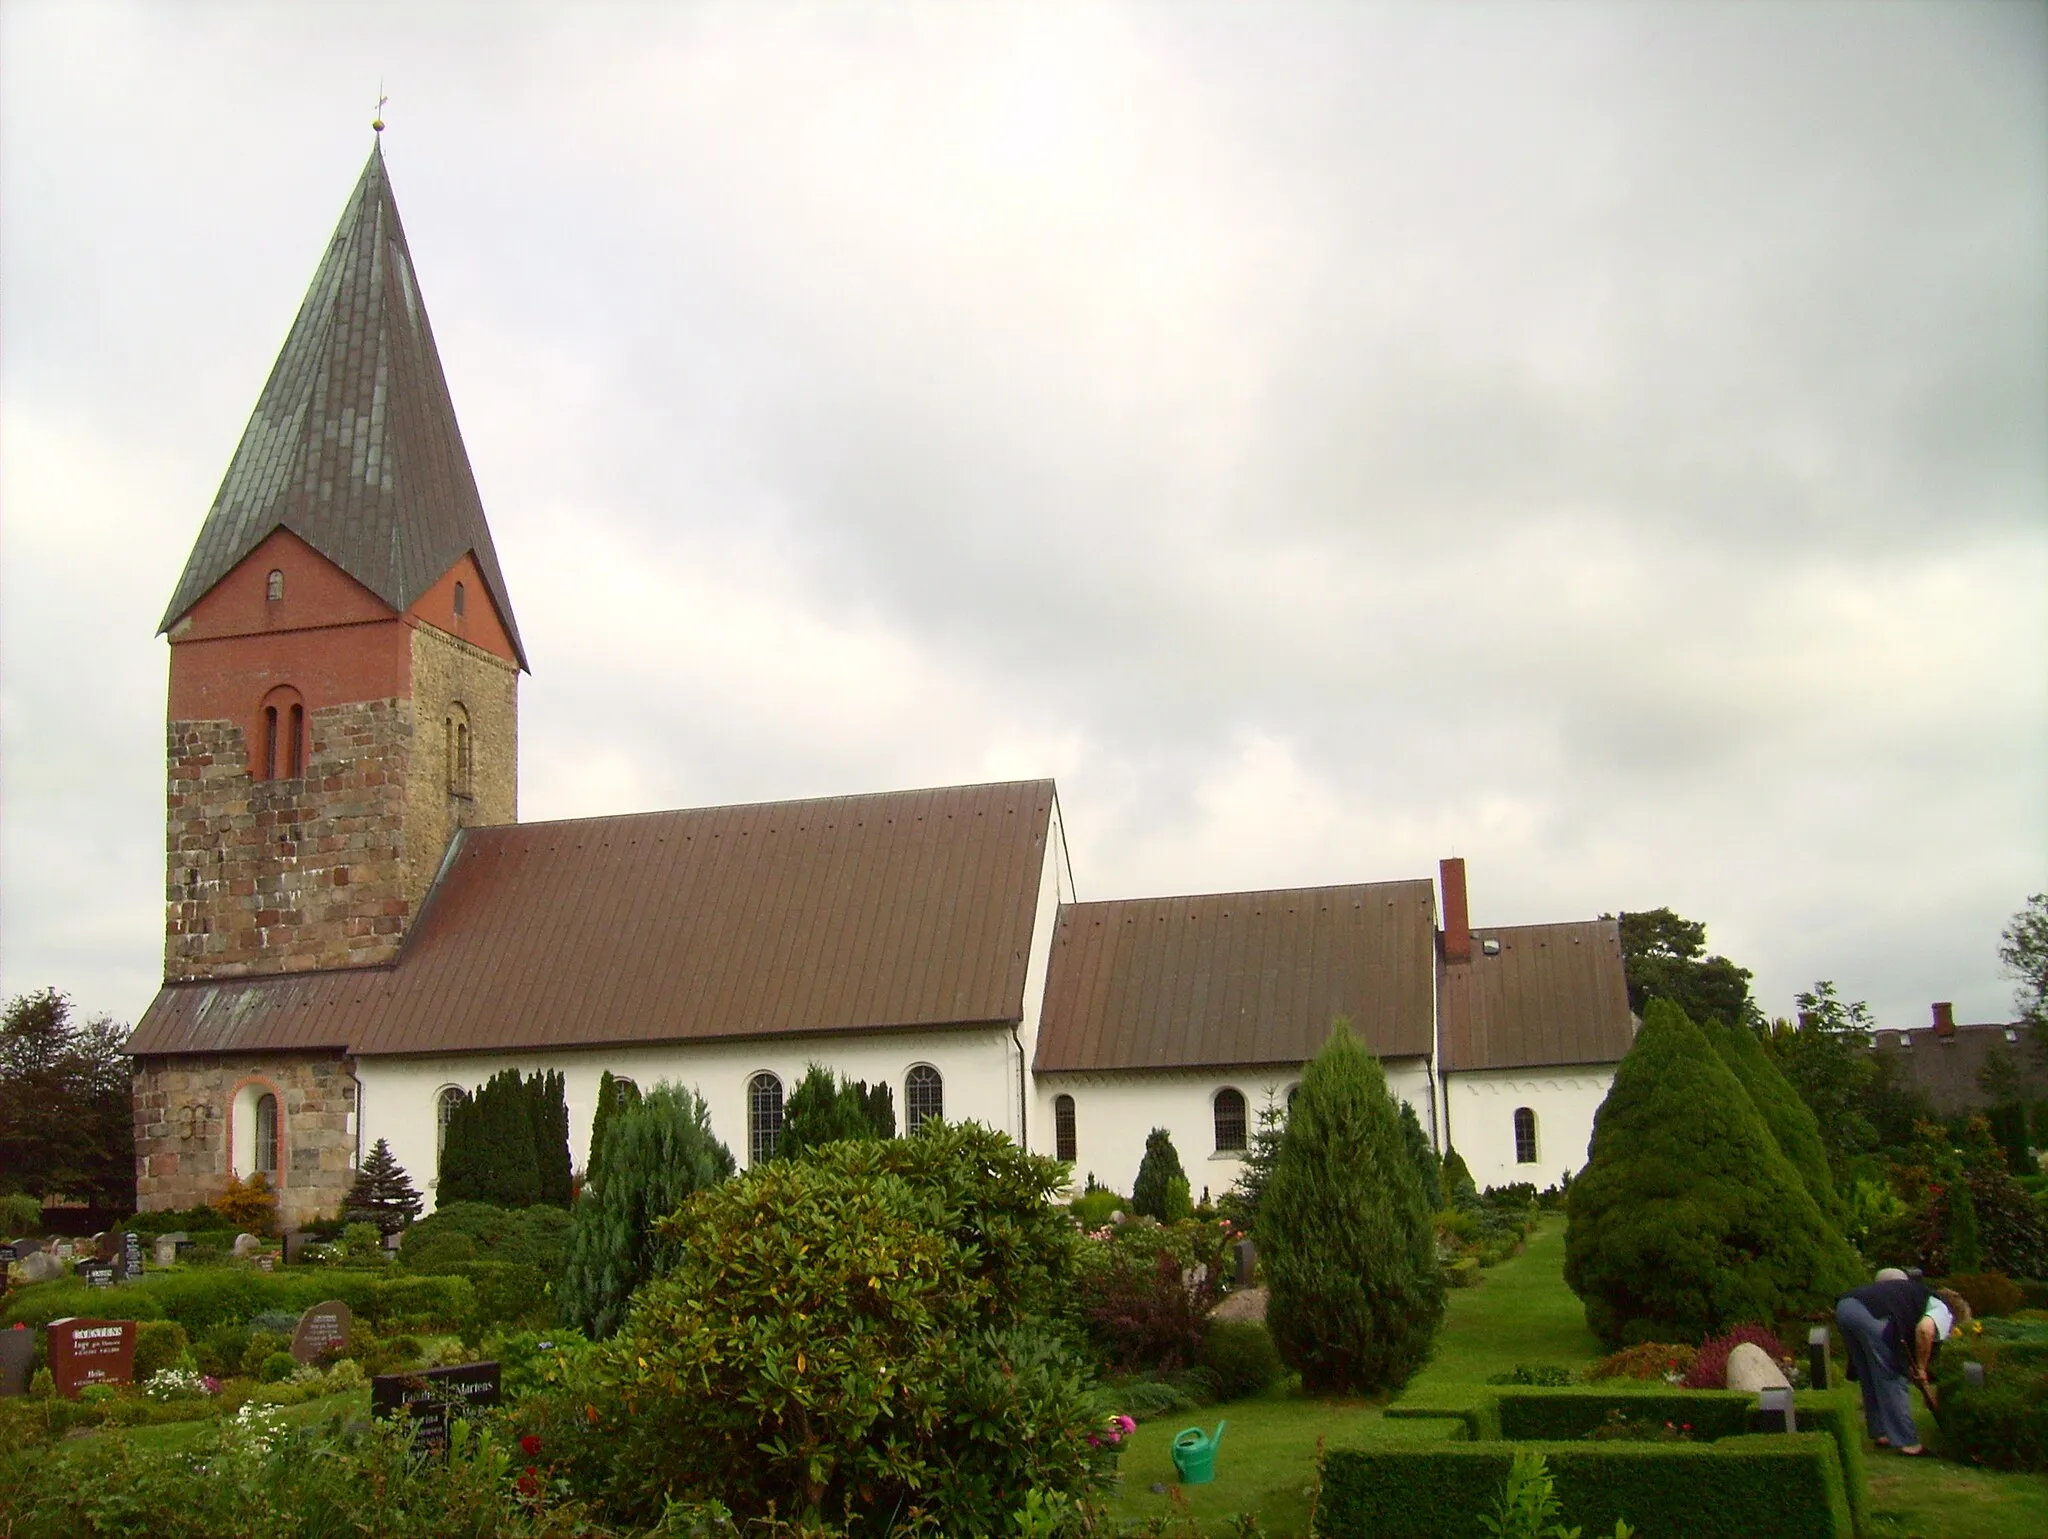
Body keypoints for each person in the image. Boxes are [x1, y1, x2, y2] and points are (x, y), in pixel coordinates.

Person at [1835, 1274, 1970, 1455]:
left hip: (1845, 1307)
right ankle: (1908, 1443)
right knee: (1891, 1376)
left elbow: (1909, 1349)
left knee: (1869, 1373)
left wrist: (1921, 1379)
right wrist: (1922, 1368)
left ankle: (1880, 1432)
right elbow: (1925, 1330)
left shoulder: (1918, 1298)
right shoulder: (1942, 1309)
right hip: (1871, 1314)